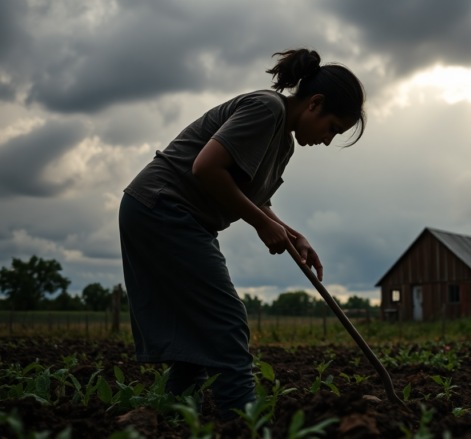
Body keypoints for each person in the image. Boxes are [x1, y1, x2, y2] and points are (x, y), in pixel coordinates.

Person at [118, 48, 366, 421]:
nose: (329, 140)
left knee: (198, 329)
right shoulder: (267, 109)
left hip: (175, 215)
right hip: (163, 209)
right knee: (226, 320)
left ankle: (173, 418)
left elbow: (252, 196)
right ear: (315, 103)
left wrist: (291, 233)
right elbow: (206, 167)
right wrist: (262, 225)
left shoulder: (283, 141)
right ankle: (241, 423)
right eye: (332, 127)